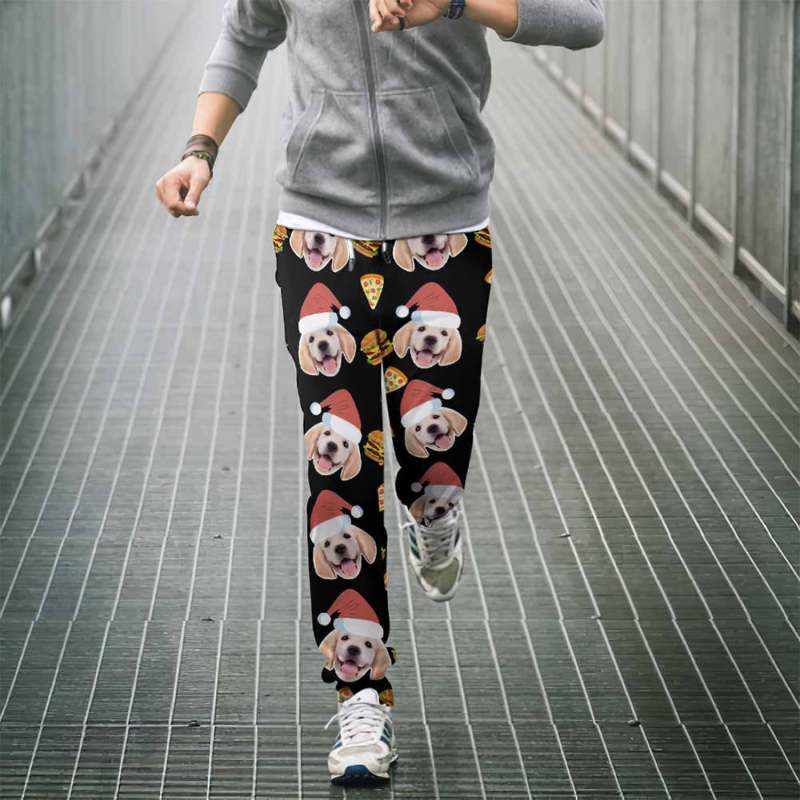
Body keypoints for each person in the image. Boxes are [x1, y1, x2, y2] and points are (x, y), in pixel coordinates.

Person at [155, 0, 605, 785]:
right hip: (317, 230)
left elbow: (583, 19)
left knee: (433, 450)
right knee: (338, 470)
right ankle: (361, 698)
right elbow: (245, 35)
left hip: (445, 228)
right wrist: (201, 149)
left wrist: (452, 4)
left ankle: (435, 507)